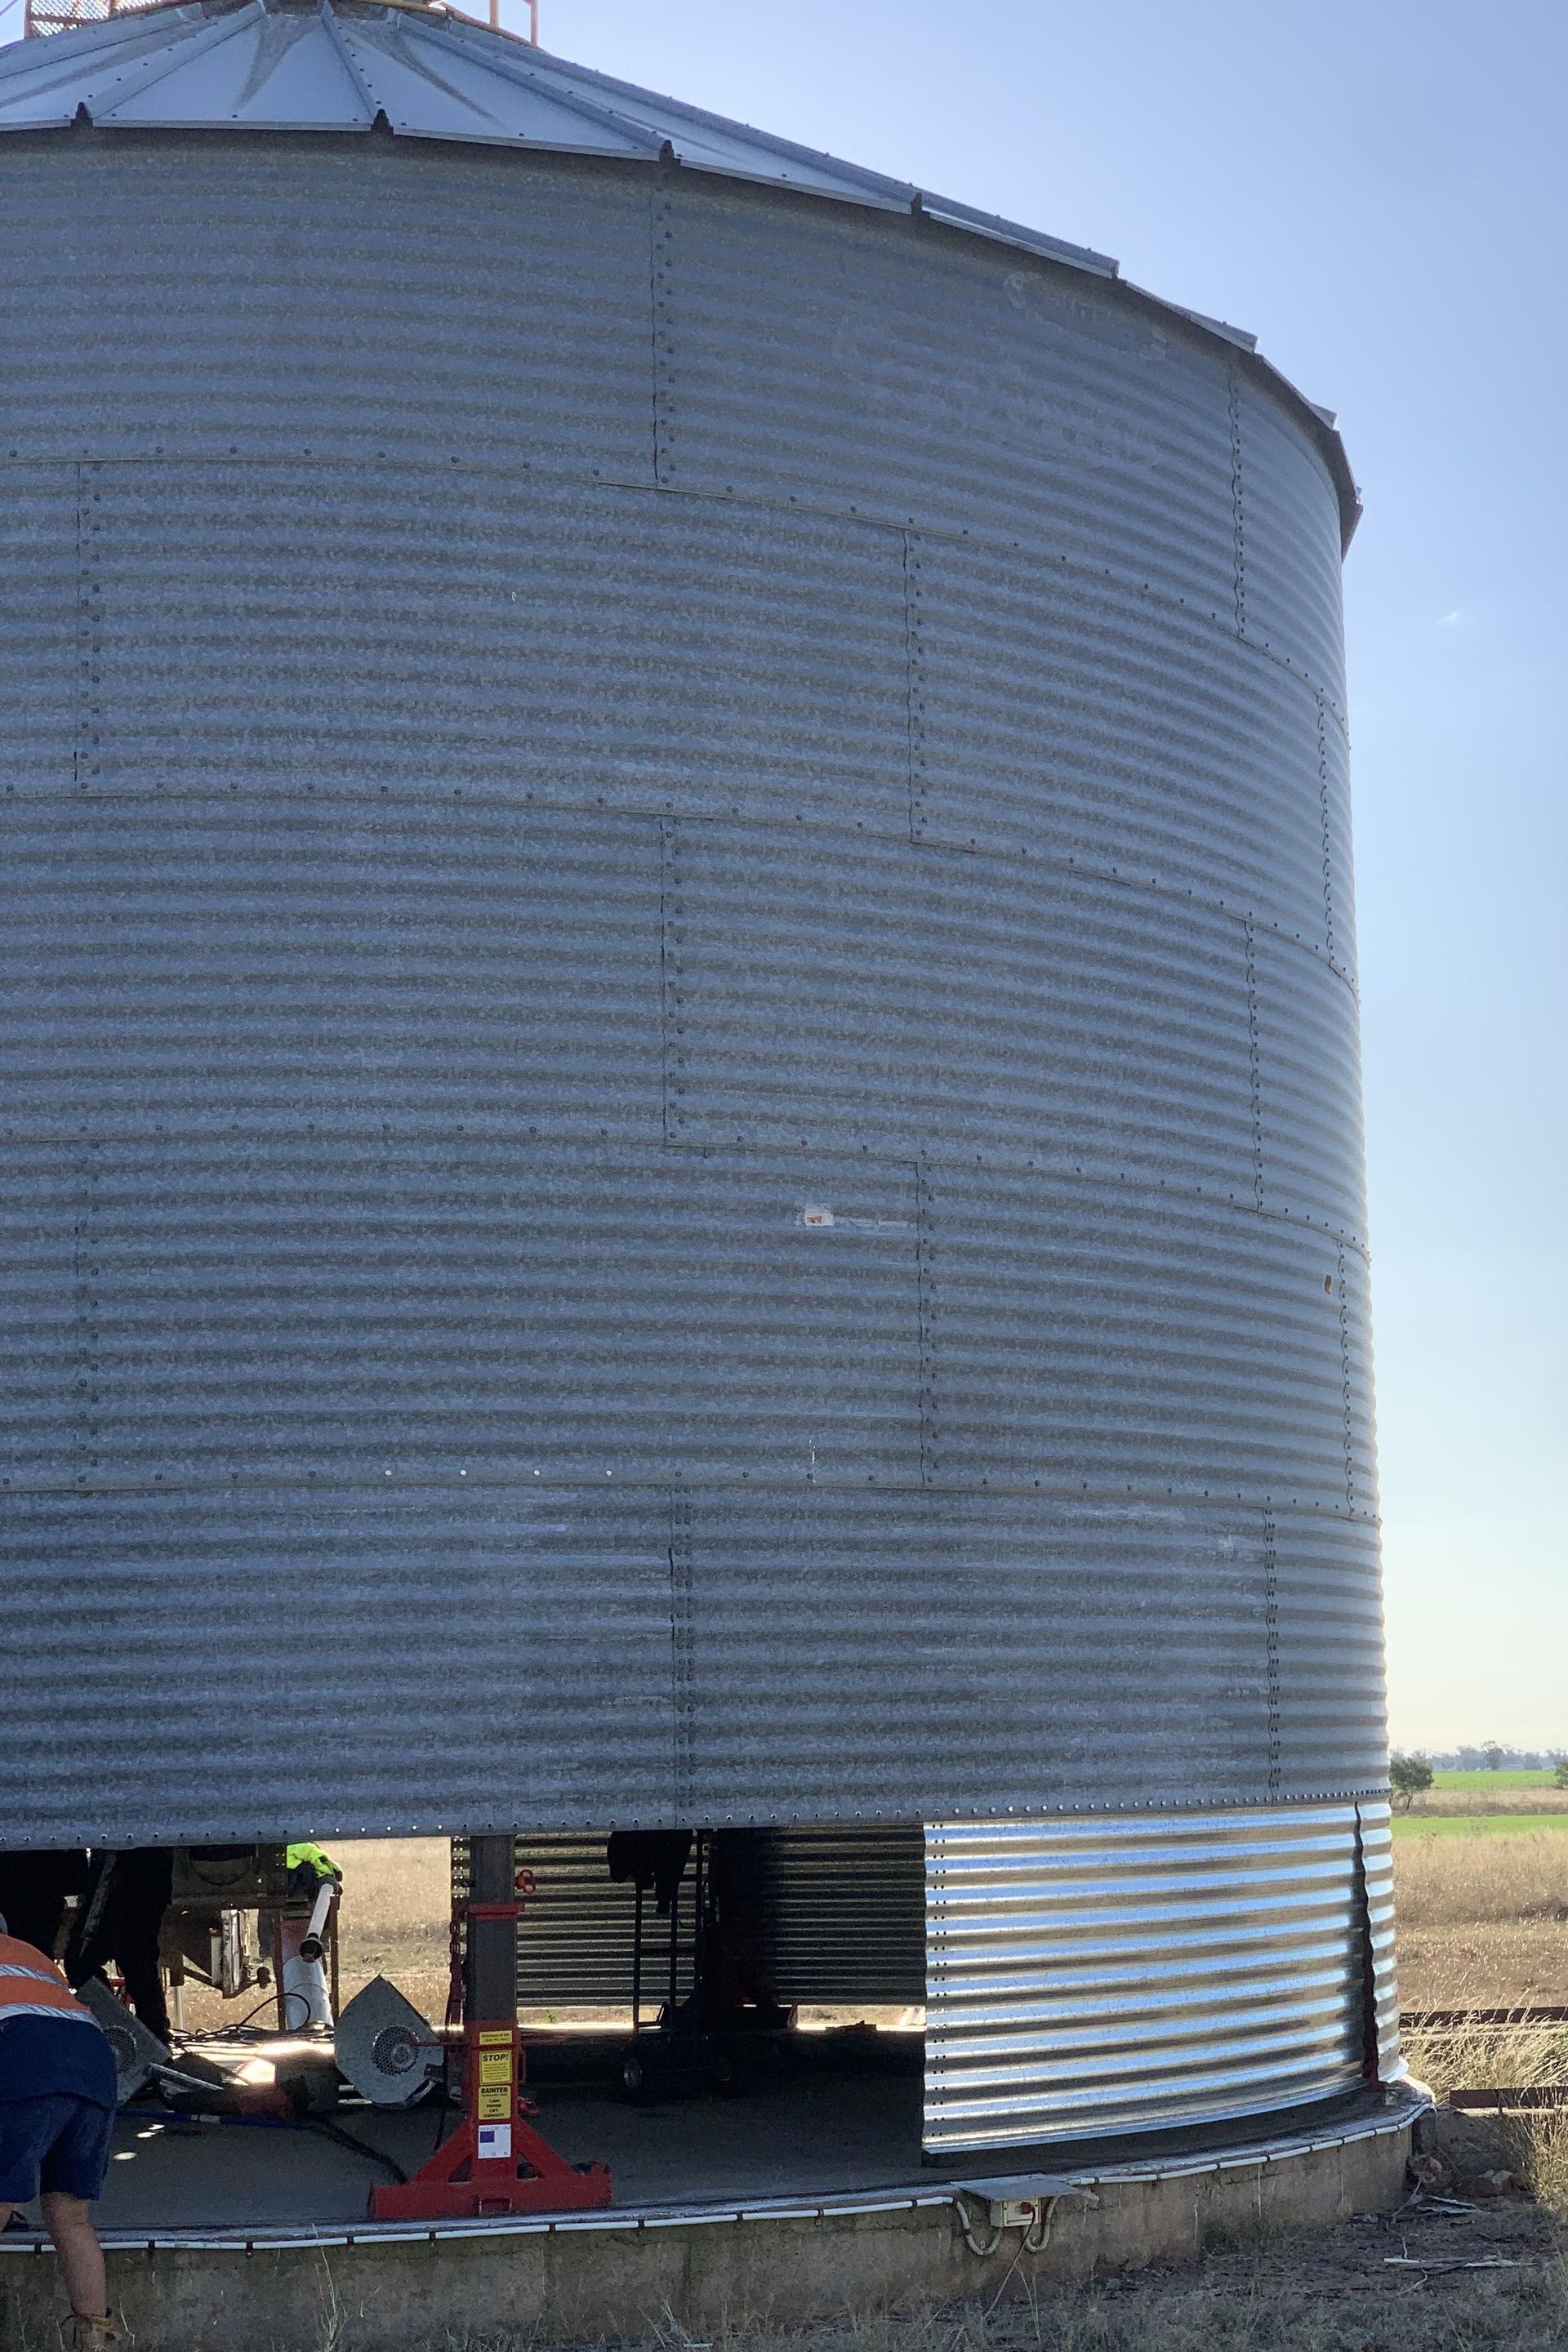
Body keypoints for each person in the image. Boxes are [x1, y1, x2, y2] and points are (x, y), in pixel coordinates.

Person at [0, 1910, 122, 2349]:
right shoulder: (28, 1954)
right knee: (70, 2218)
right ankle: (95, 2341)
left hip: (27, 2062)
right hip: (94, 2066)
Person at [65, 1848, 175, 2047]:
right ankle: (154, 2040)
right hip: (144, 1876)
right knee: (139, 1967)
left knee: (82, 1964)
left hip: (119, 1875)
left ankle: (126, 2031)